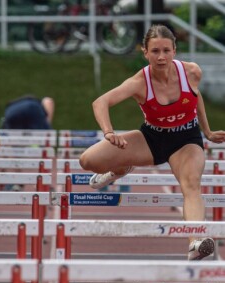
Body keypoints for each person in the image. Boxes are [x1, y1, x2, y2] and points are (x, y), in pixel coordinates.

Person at [78, 24, 225, 261]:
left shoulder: (192, 72)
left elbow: (196, 99)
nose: (161, 57)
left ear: (175, 51)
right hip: (152, 138)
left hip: (186, 139)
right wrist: (108, 132)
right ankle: (120, 168)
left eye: (166, 50)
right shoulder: (139, 82)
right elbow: (100, 102)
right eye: (155, 51)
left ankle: (196, 241)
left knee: (191, 184)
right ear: (145, 52)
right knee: (88, 161)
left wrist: (206, 131)